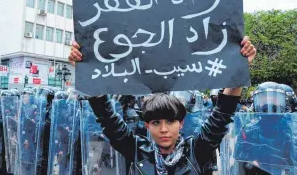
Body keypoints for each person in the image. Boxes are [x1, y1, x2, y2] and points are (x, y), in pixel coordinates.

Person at [69, 37, 256, 174]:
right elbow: (106, 116)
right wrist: (86, 69)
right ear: (147, 125)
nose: (164, 129)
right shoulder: (136, 150)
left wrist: (239, 68)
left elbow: (222, 114)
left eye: (170, 121)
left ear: (181, 123)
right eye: (156, 122)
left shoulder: (197, 149)